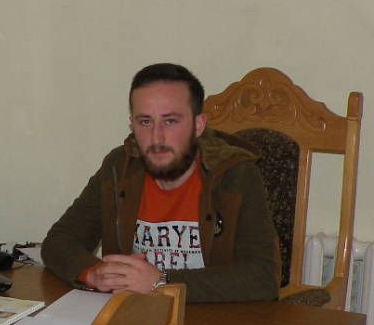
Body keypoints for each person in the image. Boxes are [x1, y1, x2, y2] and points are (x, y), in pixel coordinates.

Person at [41, 63, 281, 302]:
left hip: (211, 317)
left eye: (170, 121)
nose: (156, 138)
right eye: (145, 122)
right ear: (132, 123)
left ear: (198, 125)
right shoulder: (119, 169)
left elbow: (263, 277)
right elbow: (59, 241)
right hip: (135, 316)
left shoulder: (237, 175)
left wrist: (162, 282)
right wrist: (94, 273)